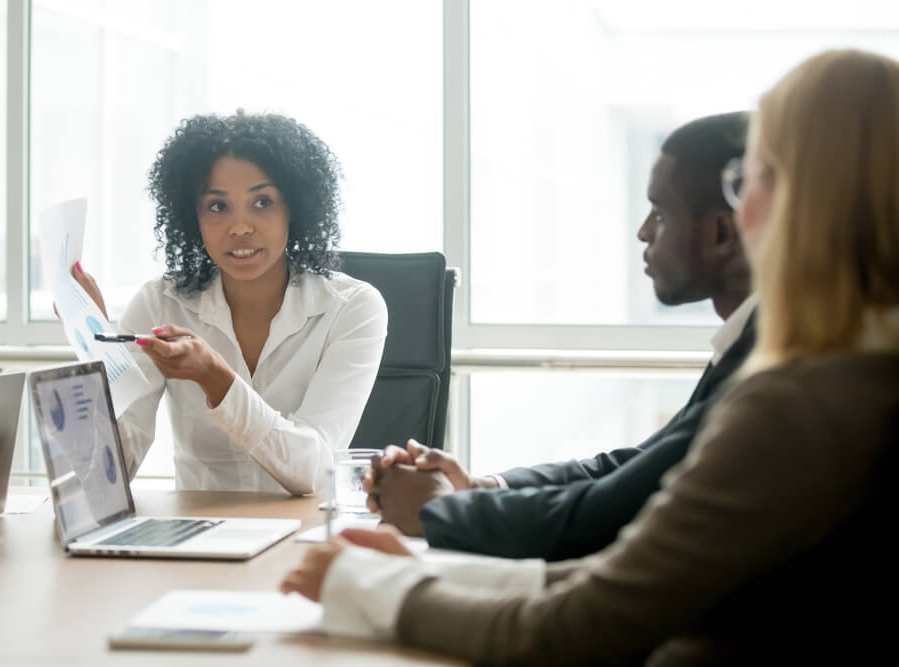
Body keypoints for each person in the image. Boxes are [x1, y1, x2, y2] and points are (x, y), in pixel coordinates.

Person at [282, 49, 899, 663]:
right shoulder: (853, 374)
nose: (743, 209)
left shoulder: (800, 400)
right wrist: (435, 575)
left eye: (750, 179)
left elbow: (582, 627)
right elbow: (644, 573)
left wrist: (363, 583)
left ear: (802, 200)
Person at [365, 112, 755, 560]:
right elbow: (635, 468)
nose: (643, 231)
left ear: (722, 232)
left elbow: (609, 514)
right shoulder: (746, 341)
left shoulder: (766, 365)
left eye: (660, 213)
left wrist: (443, 510)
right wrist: (483, 487)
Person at [70, 111, 387, 495]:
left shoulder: (352, 309)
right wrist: (98, 349)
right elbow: (111, 472)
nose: (240, 227)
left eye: (263, 202)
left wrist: (216, 378)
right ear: (194, 217)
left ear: (294, 208)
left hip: (306, 538)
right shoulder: (159, 304)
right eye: (218, 207)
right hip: (198, 538)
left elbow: (314, 470)